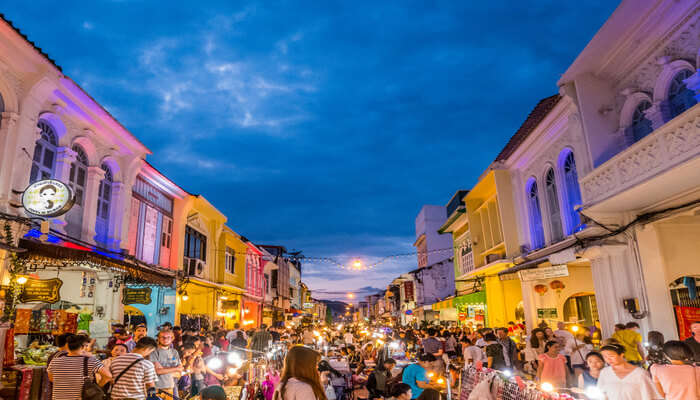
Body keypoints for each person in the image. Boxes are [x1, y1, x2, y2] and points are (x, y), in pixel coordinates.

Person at [47, 334, 112, 400]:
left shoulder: (55, 361)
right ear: (82, 347)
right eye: (86, 346)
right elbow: (108, 376)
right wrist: (98, 386)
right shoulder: (90, 360)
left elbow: (51, 378)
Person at [150, 330, 184, 397]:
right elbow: (158, 371)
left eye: (168, 337)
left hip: (170, 387)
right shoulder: (154, 351)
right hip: (157, 388)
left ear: (172, 338)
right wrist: (175, 369)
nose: (165, 339)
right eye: (163, 337)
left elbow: (180, 369)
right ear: (159, 338)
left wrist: (164, 369)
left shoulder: (174, 352)